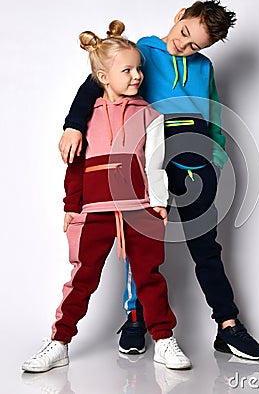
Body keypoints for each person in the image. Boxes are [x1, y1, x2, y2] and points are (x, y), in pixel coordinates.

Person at [58, 0, 259, 360]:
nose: (183, 46)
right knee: (139, 241)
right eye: (184, 34)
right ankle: (135, 318)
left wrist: (215, 157)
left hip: (196, 160)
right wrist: (73, 125)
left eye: (194, 46)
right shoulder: (143, 52)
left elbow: (213, 109)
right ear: (179, 16)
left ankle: (228, 325)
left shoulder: (203, 68)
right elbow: (96, 81)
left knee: (206, 246)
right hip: (150, 155)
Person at [22, 21, 192, 373]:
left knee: (149, 275)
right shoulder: (84, 119)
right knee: (82, 277)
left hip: (140, 209)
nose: (136, 76)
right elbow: (75, 165)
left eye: (139, 69)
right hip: (95, 210)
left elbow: (156, 162)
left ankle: (162, 340)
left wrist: (158, 202)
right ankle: (59, 342)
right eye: (127, 70)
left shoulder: (150, 115)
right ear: (102, 75)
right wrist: (71, 207)